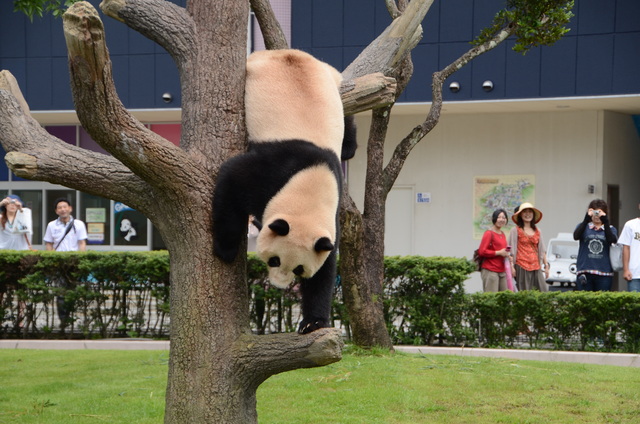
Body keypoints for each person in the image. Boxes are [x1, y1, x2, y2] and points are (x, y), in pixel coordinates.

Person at [43, 198, 88, 327]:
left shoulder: (78, 224)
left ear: (70, 208)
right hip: (59, 262)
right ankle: (64, 320)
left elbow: (82, 243)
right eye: (60, 207)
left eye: (65, 207)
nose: (63, 209)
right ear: (56, 211)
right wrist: (51, 260)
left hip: (74, 262)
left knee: (73, 291)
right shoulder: (52, 225)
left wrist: (81, 260)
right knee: (61, 292)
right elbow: (49, 244)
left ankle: (71, 317)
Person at [573, 199, 618, 291]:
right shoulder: (583, 226)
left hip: (604, 272)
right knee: (585, 301)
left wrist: (605, 222)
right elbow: (576, 236)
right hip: (585, 270)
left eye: (599, 212)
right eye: (594, 212)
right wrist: (586, 219)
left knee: (602, 301)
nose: (596, 215)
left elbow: (611, 240)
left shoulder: (610, 229)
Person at [508, 203, 550, 292]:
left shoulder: (538, 231)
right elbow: (510, 251)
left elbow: (542, 250)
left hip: (536, 266)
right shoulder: (515, 230)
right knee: (524, 294)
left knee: (543, 291)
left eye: (530, 212)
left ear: (533, 214)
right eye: (525, 212)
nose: (528, 214)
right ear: (520, 215)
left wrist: (546, 266)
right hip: (521, 266)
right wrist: (511, 267)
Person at [478, 209, 511, 292]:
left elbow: (502, 250)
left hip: (502, 270)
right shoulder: (489, 233)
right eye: (499, 217)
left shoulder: (502, 233)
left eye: (504, 217)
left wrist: (507, 255)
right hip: (490, 270)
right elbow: (482, 251)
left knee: (504, 298)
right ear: (494, 218)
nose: (501, 220)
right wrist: (499, 252)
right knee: (491, 299)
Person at [618, 202, 640, 292]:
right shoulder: (630, 224)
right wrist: (626, 269)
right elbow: (626, 248)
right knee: (635, 304)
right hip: (634, 273)